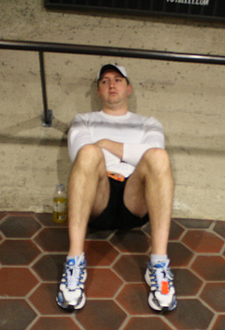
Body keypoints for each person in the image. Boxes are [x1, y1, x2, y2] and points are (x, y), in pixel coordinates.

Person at [57, 64, 177, 312]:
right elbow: (79, 155)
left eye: (118, 80)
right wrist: (122, 151)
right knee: (89, 152)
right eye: (104, 81)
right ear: (99, 91)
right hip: (98, 198)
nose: (111, 85)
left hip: (134, 199)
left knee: (158, 157)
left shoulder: (149, 123)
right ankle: (74, 263)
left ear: (129, 88)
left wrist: (106, 143)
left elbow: (153, 154)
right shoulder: (83, 120)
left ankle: (159, 266)